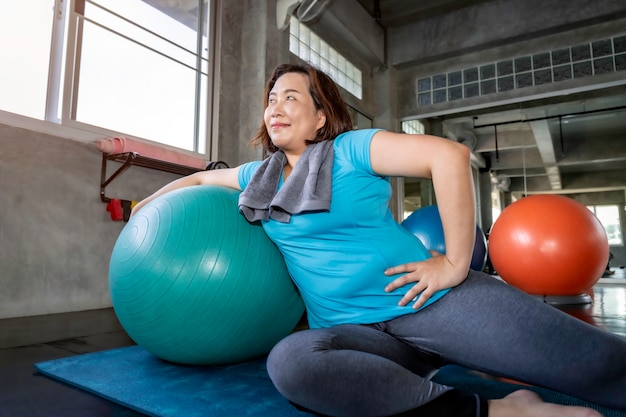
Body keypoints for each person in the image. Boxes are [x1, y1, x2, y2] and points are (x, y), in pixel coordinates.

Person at [131, 63, 626, 417]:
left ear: (321, 117)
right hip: (360, 336)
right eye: (271, 99)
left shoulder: (349, 149)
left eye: (291, 97)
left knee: (602, 367)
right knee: (293, 364)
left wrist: (455, 263)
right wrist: (146, 208)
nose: (275, 107)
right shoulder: (256, 179)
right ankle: (500, 411)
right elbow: (196, 182)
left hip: (433, 301)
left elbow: (448, 157)